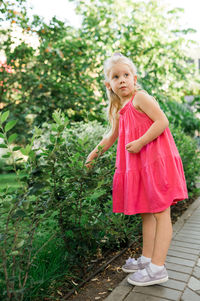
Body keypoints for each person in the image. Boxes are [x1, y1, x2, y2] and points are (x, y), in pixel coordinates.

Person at [85, 53, 188, 286]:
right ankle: (147, 258)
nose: (122, 80)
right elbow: (111, 136)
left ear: (134, 78)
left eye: (126, 75)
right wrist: (93, 154)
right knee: (147, 212)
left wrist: (141, 141)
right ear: (108, 84)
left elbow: (162, 121)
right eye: (116, 76)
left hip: (157, 163)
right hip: (141, 167)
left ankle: (158, 268)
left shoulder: (140, 98)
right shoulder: (119, 107)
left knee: (161, 213)